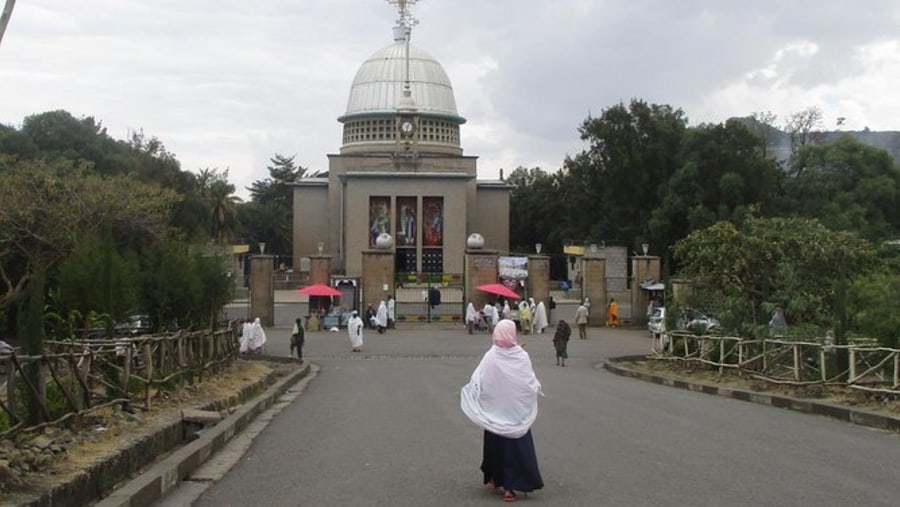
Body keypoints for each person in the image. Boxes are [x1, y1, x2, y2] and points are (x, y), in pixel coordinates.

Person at [460, 320, 544, 502]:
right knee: (514, 448)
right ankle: (510, 486)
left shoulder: (491, 356)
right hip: (515, 413)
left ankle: (496, 478)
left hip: (495, 414)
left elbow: (479, 380)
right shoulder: (521, 356)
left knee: (495, 447)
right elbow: (528, 382)